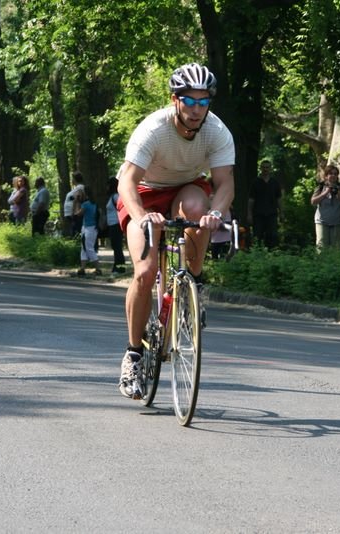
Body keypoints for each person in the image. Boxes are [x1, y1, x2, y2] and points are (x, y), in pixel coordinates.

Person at [116, 62, 234, 399]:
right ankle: (133, 355)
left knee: (199, 209)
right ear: (175, 100)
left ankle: (190, 287)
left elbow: (225, 183)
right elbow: (127, 181)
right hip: (144, 192)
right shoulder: (154, 129)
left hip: (186, 189)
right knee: (146, 269)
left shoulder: (216, 131)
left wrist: (216, 212)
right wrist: (141, 217)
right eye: (190, 101)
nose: (197, 110)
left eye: (204, 102)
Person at [310, 164, 340, 249]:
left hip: (338, 222)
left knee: (335, 248)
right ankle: (321, 262)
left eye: (335, 174)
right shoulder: (320, 187)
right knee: (321, 248)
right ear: (326, 176)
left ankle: (334, 262)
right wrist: (325, 193)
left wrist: (339, 195)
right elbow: (313, 201)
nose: (333, 175)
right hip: (321, 221)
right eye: (330, 173)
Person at [247, 159, 282, 248]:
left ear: (270, 169)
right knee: (257, 236)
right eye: (264, 167)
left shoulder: (275, 182)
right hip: (258, 213)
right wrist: (249, 214)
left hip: (272, 213)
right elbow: (251, 200)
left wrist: (282, 212)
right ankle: (257, 254)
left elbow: (279, 199)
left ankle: (272, 255)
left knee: (273, 235)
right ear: (261, 168)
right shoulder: (255, 182)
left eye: (267, 167)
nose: (265, 169)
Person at [76, 185, 102, 276]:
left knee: (89, 248)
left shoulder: (86, 204)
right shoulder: (94, 203)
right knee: (84, 248)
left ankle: (98, 268)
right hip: (89, 228)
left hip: (89, 228)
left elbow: (77, 214)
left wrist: (77, 202)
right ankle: (82, 268)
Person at [105, 176, 126, 273]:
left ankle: (120, 267)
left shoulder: (116, 197)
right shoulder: (112, 197)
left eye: (108, 185)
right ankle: (117, 266)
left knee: (117, 247)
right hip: (112, 225)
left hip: (116, 225)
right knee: (115, 246)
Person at [63, 171, 85, 236]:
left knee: (76, 231)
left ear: (75, 179)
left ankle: (77, 244)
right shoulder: (77, 188)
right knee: (74, 230)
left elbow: (78, 200)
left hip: (75, 214)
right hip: (72, 214)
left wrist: (73, 212)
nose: (71, 180)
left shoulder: (81, 187)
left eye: (72, 178)